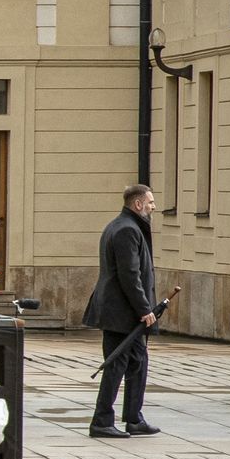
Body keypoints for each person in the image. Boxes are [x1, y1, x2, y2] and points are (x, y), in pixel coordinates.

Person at [82, 184, 162, 439]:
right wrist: (144, 308)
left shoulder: (124, 226)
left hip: (125, 312)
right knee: (116, 365)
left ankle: (134, 418)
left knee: (138, 363)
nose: (154, 206)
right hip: (121, 313)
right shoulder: (127, 229)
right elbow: (129, 275)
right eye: (150, 202)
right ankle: (101, 421)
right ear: (138, 204)